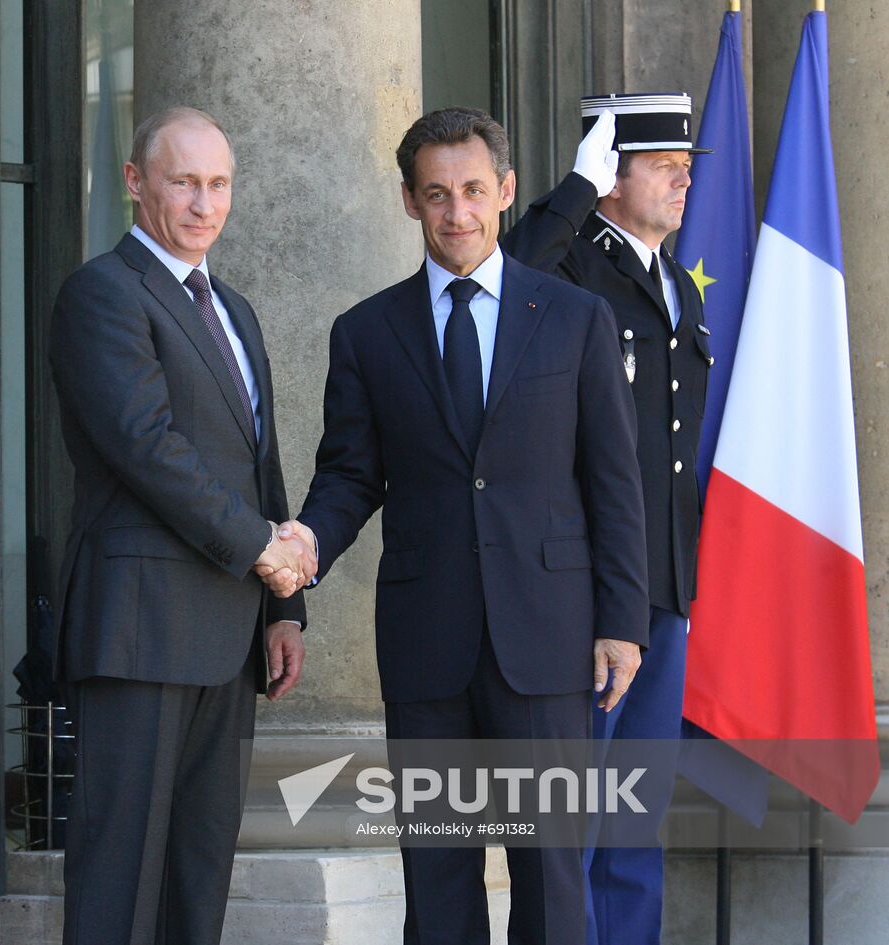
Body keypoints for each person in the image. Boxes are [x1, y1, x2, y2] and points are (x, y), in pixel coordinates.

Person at [282, 107, 648, 943]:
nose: (459, 213)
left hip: (549, 636)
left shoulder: (574, 318)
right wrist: (304, 546)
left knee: (551, 874)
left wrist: (623, 621)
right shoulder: (366, 332)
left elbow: (614, 482)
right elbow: (348, 474)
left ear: (507, 191)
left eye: (475, 191)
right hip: (427, 641)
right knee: (438, 873)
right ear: (410, 201)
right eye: (437, 194)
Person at [49, 105, 312, 945]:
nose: (205, 203)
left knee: (199, 873)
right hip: (139, 630)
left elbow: (258, 462)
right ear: (135, 183)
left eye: (220, 183)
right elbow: (148, 448)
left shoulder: (232, 307)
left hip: (229, 632)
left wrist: (283, 608)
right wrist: (264, 549)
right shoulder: (102, 292)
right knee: (120, 877)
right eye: (184, 181)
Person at [502, 93, 711, 945]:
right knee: (572, 829)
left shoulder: (678, 287)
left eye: (686, 169)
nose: (681, 182)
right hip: (587, 598)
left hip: (663, 589)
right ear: (609, 177)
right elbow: (501, 284)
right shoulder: (570, 266)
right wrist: (568, 199)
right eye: (663, 167)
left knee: (634, 822)